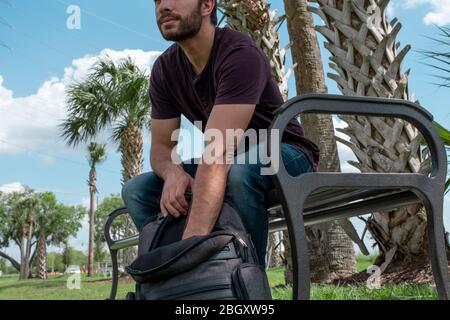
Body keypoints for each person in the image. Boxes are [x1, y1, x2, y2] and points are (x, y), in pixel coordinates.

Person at [122, 0, 320, 267]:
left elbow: (216, 155)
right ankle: (175, 283)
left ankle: (247, 285)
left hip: (285, 153)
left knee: (241, 171)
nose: (163, 6)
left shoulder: (239, 53)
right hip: (229, 160)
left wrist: (188, 254)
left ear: (206, 6)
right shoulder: (164, 70)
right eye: (157, 0)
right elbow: (160, 148)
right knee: (138, 190)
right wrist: (173, 173)